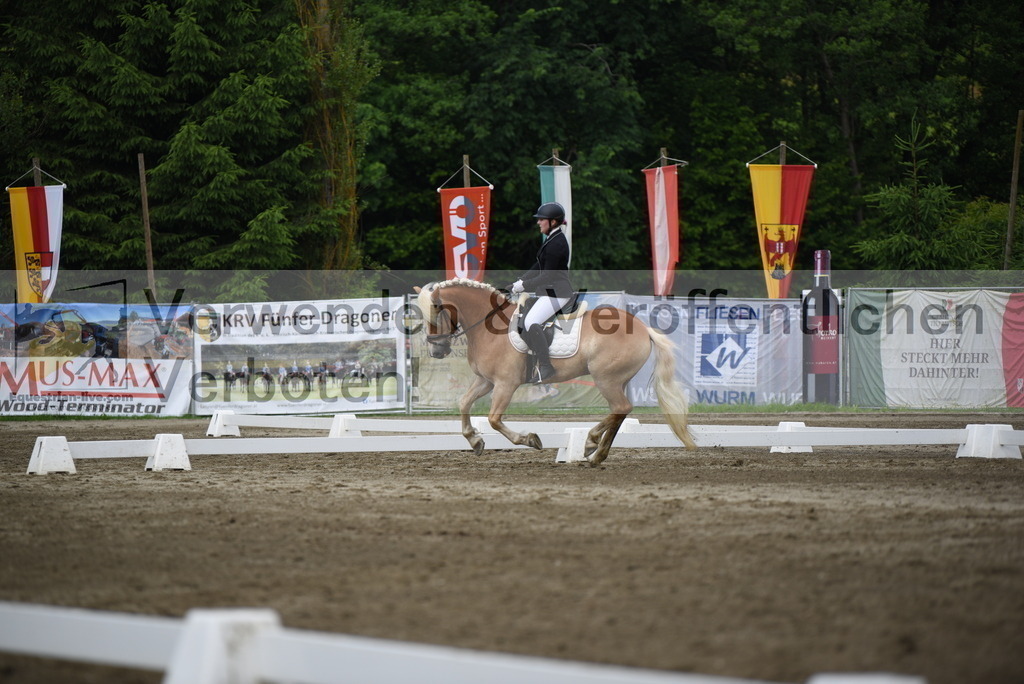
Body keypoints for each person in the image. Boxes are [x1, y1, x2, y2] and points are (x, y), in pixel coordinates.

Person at [509, 202, 573, 383]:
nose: (538, 223)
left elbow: (547, 275)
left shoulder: (557, 243)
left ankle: (546, 366)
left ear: (553, 222)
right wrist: (520, 281)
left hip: (557, 293)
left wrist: (525, 285)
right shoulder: (552, 239)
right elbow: (539, 265)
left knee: (530, 322)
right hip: (548, 291)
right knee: (525, 318)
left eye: (542, 220)